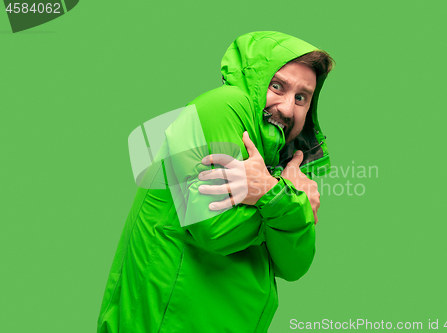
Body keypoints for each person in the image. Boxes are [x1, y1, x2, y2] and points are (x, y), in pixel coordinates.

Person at [97, 31, 334, 333]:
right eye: (277, 87)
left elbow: (294, 265)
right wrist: (283, 201)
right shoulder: (222, 106)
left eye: (301, 98)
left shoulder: (282, 160)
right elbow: (215, 228)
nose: (288, 108)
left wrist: (267, 192)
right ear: (256, 80)